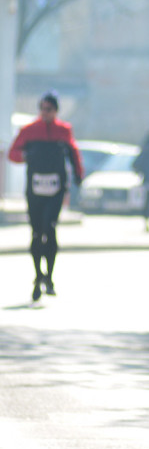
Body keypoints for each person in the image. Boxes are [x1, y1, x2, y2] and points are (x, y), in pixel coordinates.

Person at [7, 90, 84, 301]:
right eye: (42, 108)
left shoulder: (64, 131)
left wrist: (78, 176)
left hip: (56, 190)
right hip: (35, 189)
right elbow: (13, 154)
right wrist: (27, 156)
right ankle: (37, 275)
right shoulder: (29, 130)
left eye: (48, 109)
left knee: (50, 228)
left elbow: (74, 154)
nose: (44, 112)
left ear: (56, 111)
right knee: (36, 232)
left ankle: (49, 276)